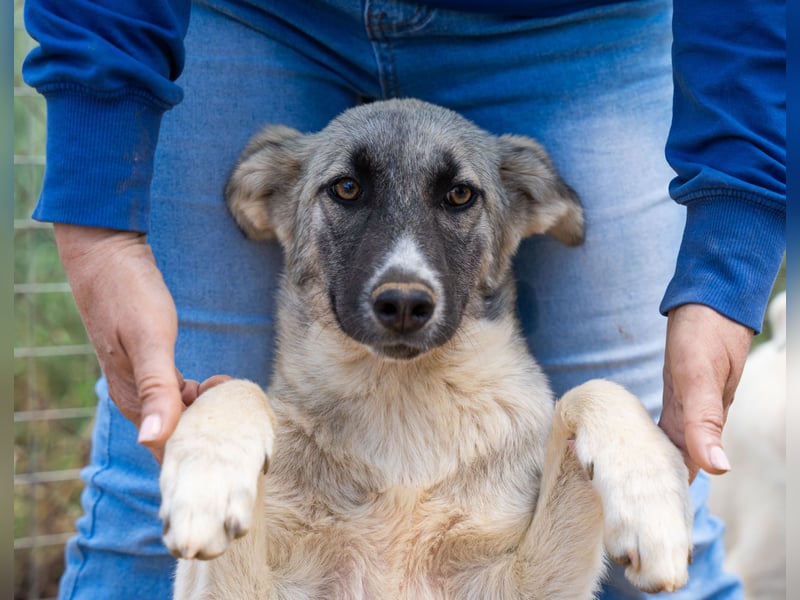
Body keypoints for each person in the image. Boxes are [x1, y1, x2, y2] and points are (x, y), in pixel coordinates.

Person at [23, 0, 785, 598]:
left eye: (458, 197)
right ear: (271, 204)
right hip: (250, 15)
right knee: (150, 507)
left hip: (571, 23)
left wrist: (730, 251)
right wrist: (104, 228)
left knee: (664, 506)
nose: (404, 278)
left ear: (526, 210)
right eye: (347, 192)